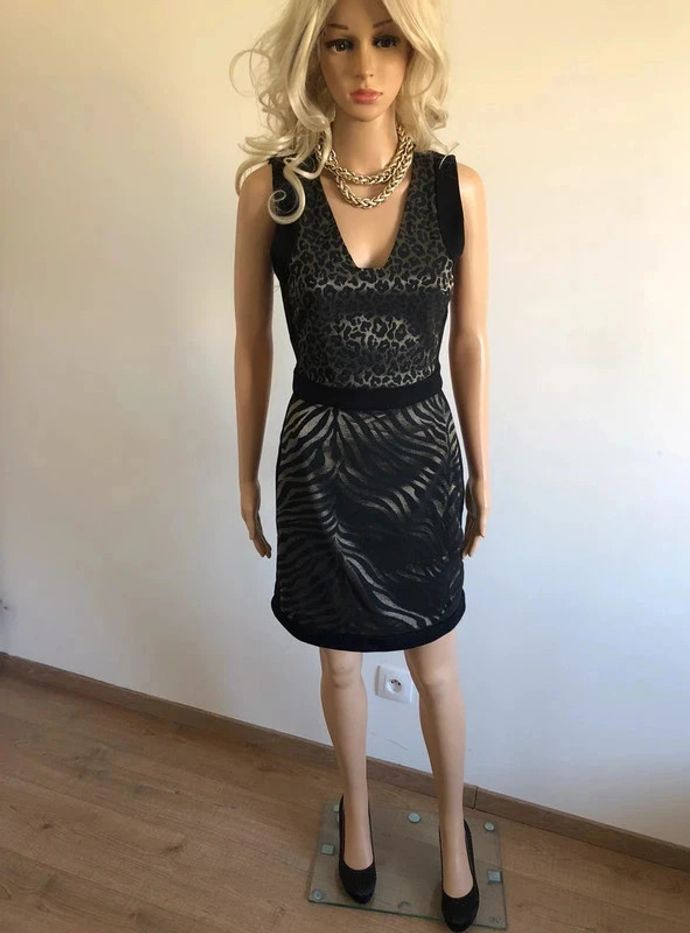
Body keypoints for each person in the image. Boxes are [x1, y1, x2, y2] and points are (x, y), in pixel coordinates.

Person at [231, 1, 489, 928]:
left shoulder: (457, 189)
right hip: (318, 462)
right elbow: (251, 342)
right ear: (313, 57)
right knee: (340, 668)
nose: (365, 64)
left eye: (386, 39)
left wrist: (484, 469)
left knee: (437, 668)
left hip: (421, 459)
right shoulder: (275, 192)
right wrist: (245, 472)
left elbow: (470, 344)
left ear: (415, 55)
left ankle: (453, 833)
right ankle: (361, 820)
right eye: (340, 41)